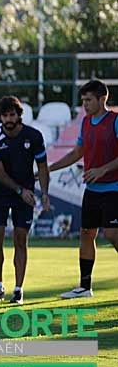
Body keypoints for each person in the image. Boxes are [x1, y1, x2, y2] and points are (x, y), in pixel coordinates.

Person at [49, 79, 118, 298]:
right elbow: (78, 152)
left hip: (113, 189)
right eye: (83, 101)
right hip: (92, 191)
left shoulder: (115, 121)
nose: (85, 105)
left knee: (112, 234)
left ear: (102, 98)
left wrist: (102, 169)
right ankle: (85, 287)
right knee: (87, 234)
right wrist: (50, 168)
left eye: (89, 100)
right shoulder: (86, 122)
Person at [0, 96, 50, 304]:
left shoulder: (34, 136)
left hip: (25, 195)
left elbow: (42, 167)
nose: (9, 119)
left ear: (19, 115)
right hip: (0, 193)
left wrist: (45, 193)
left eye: (12, 114)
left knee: (21, 240)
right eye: (5, 115)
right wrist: (21, 191)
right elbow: (0, 174)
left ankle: (18, 290)